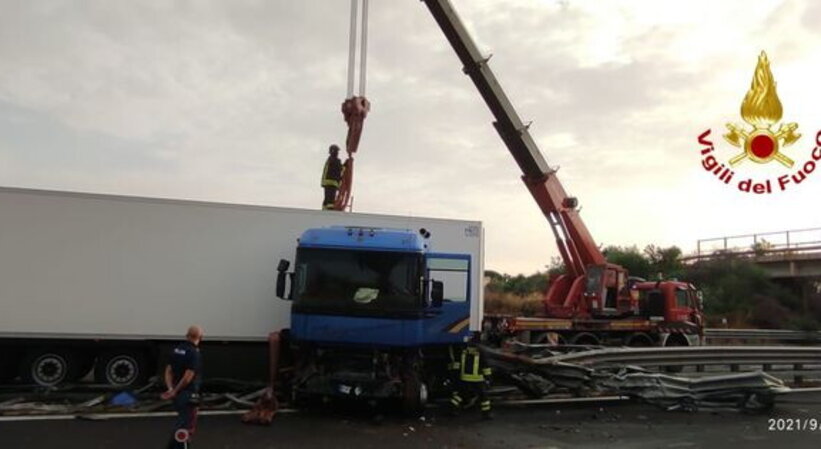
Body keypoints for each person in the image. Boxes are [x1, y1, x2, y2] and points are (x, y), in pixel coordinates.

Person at [162, 325, 204, 448]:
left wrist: (171, 389)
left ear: (187, 336)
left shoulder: (177, 349)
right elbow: (188, 377)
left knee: (181, 423)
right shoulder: (194, 353)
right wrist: (175, 390)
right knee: (185, 428)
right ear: (201, 337)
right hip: (188, 394)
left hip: (178, 395)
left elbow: (168, 370)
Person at [448, 334, 492, 419]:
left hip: (465, 378)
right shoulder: (480, 352)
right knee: (483, 397)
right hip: (477, 379)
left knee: (460, 394)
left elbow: (458, 364)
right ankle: (486, 414)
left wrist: (456, 376)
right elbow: (485, 366)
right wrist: (488, 378)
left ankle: (453, 409)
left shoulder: (464, 351)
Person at [321, 144, 343, 210]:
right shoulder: (335, 160)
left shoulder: (329, 160)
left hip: (326, 182)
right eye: (337, 151)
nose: (338, 153)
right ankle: (330, 211)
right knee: (330, 200)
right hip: (332, 183)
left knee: (327, 198)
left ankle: (324, 210)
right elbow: (340, 170)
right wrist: (345, 166)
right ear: (334, 151)